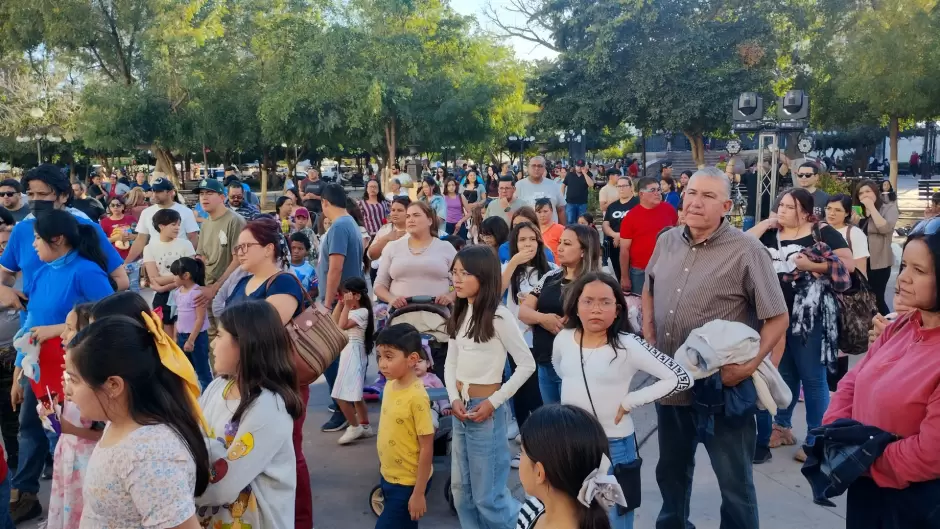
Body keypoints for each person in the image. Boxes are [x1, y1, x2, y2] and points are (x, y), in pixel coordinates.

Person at [646, 167, 788, 529]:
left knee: (735, 486)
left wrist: (748, 366)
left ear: (726, 205)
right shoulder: (667, 241)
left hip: (723, 393)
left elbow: (778, 318)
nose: (695, 202)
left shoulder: (748, 250)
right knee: (672, 478)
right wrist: (649, 335)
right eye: (692, 192)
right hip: (672, 386)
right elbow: (648, 286)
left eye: (708, 196)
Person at [825, 218, 940, 527]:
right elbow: (854, 380)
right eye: (904, 266)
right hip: (866, 488)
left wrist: (861, 458)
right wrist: (837, 432)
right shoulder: (901, 325)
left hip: (914, 502)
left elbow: (930, 453)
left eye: (919, 271)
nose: (903, 279)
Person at [555, 272, 692, 529]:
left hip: (614, 447)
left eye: (605, 302)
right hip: (573, 445)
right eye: (588, 301)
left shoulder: (628, 345)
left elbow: (680, 378)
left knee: (615, 519)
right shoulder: (563, 339)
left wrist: (632, 400)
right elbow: (560, 370)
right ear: (576, 305)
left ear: (618, 309)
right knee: (578, 516)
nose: (596, 308)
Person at [63, 314, 210, 528]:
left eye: (74, 380)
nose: (68, 390)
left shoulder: (148, 456)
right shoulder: (119, 423)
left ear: (113, 385)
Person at [748, 187, 855, 463]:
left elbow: (848, 265)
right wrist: (764, 223)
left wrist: (811, 265)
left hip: (811, 317)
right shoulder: (772, 232)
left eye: (788, 207)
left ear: (805, 212)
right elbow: (742, 244)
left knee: (812, 377)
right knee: (784, 373)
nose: (782, 211)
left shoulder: (821, 232)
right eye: (780, 206)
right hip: (774, 316)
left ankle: (816, 439)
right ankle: (782, 427)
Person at [222, 217, 312, 529]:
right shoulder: (241, 282)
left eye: (246, 246)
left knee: (288, 454)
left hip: (278, 380)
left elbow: (262, 334)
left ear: (269, 249)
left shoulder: (283, 283)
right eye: (237, 248)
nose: (240, 253)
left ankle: (299, 521)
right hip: (243, 382)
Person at [445, 246, 535, 529]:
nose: (457, 279)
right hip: (461, 410)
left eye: (465, 273)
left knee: (489, 498)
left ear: (483, 277)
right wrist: (453, 398)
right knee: (462, 495)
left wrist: (494, 402)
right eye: (454, 273)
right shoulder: (460, 312)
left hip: (485, 413)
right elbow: (451, 363)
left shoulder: (499, 316)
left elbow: (526, 365)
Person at [195, 300, 303, 529]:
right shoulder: (217, 388)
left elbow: (223, 485)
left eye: (220, 335)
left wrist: (170, 492)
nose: (213, 344)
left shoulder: (267, 407)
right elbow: (191, 433)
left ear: (244, 344)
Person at [519, 224, 602, 405]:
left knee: (573, 424)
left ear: (583, 251)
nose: (560, 248)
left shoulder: (595, 283)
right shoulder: (551, 276)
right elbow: (524, 311)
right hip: (544, 362)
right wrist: (543, 319)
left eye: (567, 243)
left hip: (575, 367)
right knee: (553, 425)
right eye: (560, 242)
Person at [516, 404, 632, 529]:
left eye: (522, 451)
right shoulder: (533, 507)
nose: (520, 457)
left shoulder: (532, 511)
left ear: (539, 473)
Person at [500, 221, 552, 465]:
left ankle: (541, 446)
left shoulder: (551, 270)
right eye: (522, 240)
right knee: (520, 393)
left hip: (542, 341)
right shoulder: (509, 271)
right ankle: (527, 446)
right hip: (516, 342)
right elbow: (494, 290)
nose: (528, 244)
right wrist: (513, 262)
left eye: (532, 239)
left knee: (539, 395)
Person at [374, 324, 435, 529]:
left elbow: (427, 446)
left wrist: (418, 493)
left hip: (408, 483)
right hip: (388, 475)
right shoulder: (390, 385)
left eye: (389, 357)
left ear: (412, 359)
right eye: (380, 356)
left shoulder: (417, 397)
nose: (382, 363)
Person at [45, 304, 101, 529]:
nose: (62, 334)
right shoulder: (71, 370)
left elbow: (103, 431)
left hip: (86, 461)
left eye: (69, 328)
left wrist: (67, 427)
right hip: (68, 456)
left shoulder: (94, 377)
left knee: (82, 513)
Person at [374, 201, 456, 309]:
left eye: (416, 215)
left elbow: (464, 281)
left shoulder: (446, 247)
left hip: (439, 316)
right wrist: (391, 298)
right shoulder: (392, 247)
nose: (411, 220)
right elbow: (379, 285)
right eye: (408, 216)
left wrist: (450, 296)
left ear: (429, 221)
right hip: (400, 316)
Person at [328, 277, 375, 445]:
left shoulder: (362, 312)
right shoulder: (352, 309)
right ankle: (365, 425)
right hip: (349, 353)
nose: (344, 297)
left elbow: (341, 326)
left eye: (347, 294)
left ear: (357, 295)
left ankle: (354, 427)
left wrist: (346, 306)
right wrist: (342, 304)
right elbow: (333, 322)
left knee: (339, 395)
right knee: (356, 396)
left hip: (353, 354)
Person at [619, 176, 678, 295]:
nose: (658, 193)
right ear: (641, 194)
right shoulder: (631, 217)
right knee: (641, 308)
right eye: (653, 190)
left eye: (659, 189)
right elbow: (624, 250)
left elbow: (677, 235)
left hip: (667, 269)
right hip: (640, 271)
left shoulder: (669, 210)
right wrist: (624, 277)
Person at [123, 177, 200, 265]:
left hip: (180, 263)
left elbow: (193, 237)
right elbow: (140, 239)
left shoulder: (186, 212)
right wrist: (126, 263)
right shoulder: (146, 212)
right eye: (153, 191)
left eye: (159, 191)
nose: (154, 195)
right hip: (155, 262)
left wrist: (189, 261)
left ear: (170, 192)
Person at [143, 208, 196, 334]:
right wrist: (178, 279)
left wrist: (164, 285)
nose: (177, 227)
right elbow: (154, 278)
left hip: (185, 293)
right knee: (166, 332)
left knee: (183, 333)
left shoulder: (186, 244)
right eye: (173, 224)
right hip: (163, 297)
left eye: (178, 224)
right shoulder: (149, 248)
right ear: (161, 226)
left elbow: (191, 273)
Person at [855, 179, 899, 315]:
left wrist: (872, 208)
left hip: (879, 262)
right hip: (860, 260)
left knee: (877, 298)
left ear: (876, 192)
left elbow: (885, 228)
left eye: (868, 191)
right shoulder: (858, 210)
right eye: (861, 193)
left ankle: (887, 330)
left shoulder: (889, 207)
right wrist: (854, 222)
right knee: (862, 298)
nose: (865, 195)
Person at [170, 257, 213, 389]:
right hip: (183, 336)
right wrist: (175, 336)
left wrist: (191, 340)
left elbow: (199, 319)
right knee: (185, 370)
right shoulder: (177, 293)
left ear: (186, 275)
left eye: (175, 275)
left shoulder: (197, 293)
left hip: (196, 337)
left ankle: (208, 395)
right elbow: (179, 315)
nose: (173, 278)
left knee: (202, 370)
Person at [99, 196, 140, 290]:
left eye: (118, 205)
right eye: (112, 205)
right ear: (109, 207)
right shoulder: (104, 222)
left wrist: (132, 237)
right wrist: (115, 238)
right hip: (115, 260)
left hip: (132, 258)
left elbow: (140, 236)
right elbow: (102, 241)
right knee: (119, 287)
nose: (115, 207)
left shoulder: (131, 219)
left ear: (123, 207)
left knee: (134, 285)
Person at [602, 176, 639, 282]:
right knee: (620, 277)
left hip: (633, 246)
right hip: (615, 245)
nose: (621, 189)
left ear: (631, 187)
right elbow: (605, 225)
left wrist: (622, 236)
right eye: (619, 186)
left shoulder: (638, 203)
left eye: (624, 186)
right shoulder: (612, 206)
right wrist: (615, 235)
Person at [826, 194, 870, 275]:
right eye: (828, 208)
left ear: (846, 213)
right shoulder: (820, 230)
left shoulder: (855, 233)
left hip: (847, 283)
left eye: (838, 210)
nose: (831, 213)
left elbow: (861, 268)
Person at [515, 157, 567, 224]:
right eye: (533, 166)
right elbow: (515, 210)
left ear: (544, 168)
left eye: (540, 166)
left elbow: (561, 210)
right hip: (528, 231)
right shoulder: (519, 185)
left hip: (551, 231)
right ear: (528, 167)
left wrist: (562, 229)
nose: (536, 168)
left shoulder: (553, 185)